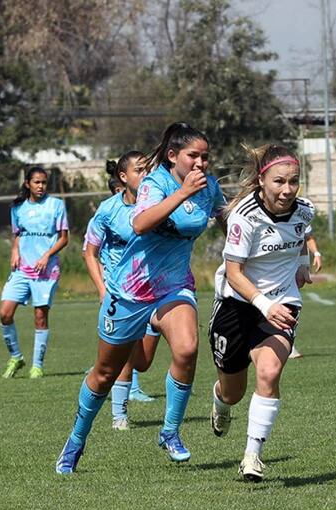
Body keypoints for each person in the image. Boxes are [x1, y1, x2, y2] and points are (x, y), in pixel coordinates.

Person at [56, 122, 226, 474]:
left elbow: (227, 218)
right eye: (193, 155)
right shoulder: (154, 183)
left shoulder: (208, 187)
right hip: (130, 291)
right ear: (172, 155)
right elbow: (140, 223)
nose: (201, 163)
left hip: (174, 286)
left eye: (205, 157)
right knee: (105, 373)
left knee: (187, 348)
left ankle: (169, 432)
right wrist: (181, 194)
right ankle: (75, 441)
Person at [207, 144, 315, 482]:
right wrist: (263, 303)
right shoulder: (244, 216)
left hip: (281, 305)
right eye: (279, 181)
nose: (287, 190)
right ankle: (221, 403)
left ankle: (252, 456)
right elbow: (234, 272)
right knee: (233, 392)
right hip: (236, 306)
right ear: (261, 180)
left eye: (294, 182)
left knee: (269, 373)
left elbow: (301, 236)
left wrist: (301, 264)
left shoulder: (305, 210)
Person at [83, 152, 160, 430]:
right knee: (126, 355)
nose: (146, 175)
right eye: (140, 170)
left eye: (149, 170)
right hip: (121, 294)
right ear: (123, 178)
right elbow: (89, 253)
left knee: (144, 361)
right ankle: (119, 416)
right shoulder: (108, 210)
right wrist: (103, 290)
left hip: (155, 292)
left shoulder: (159, 206)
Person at [0, 167, 69, 379]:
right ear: (27, 184)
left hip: (46, 271)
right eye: (37, 182)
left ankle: (37, 366)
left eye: (44, 182)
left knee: (40, 316)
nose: (41, 186)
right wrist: (14, 251)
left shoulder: (56, 205)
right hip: (22, 269)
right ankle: (16, 357)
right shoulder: (18, 208)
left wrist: (47, 255)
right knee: (5, 313)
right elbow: (18, 235)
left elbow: (64, 238)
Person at [288, 229, 321, 359]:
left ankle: (289, 344)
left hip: (290, 269)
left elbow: (306, 237)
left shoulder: (300, 211)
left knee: (290, 305)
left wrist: (315, 255)